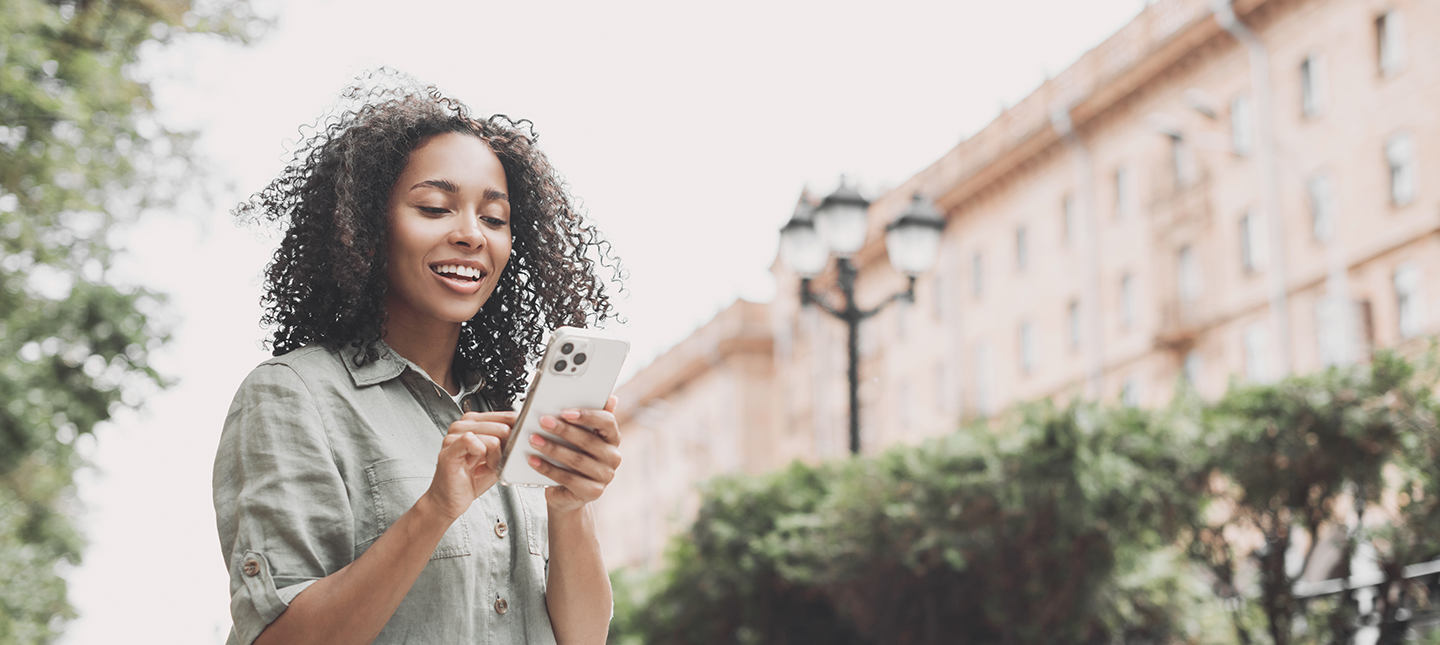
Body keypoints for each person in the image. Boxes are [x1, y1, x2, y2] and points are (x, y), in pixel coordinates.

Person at [213, 71, 624, 645]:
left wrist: (570, 505)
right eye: (434, 207)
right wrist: (433, 511)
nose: (471, 235)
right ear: (367, 229)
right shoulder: (294, 395)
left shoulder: (506, 414)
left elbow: (582, 637)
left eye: (495, 218)